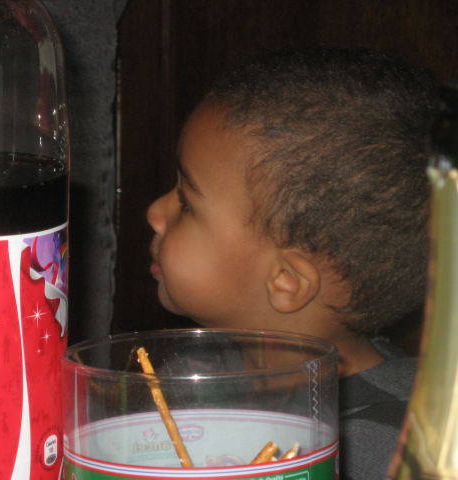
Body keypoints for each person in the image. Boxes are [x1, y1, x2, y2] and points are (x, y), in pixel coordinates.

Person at [146, 47, 439, 480]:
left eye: (187, 203)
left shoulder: (386, 450)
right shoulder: (190, 378)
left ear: (285, 280)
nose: (155, 212)